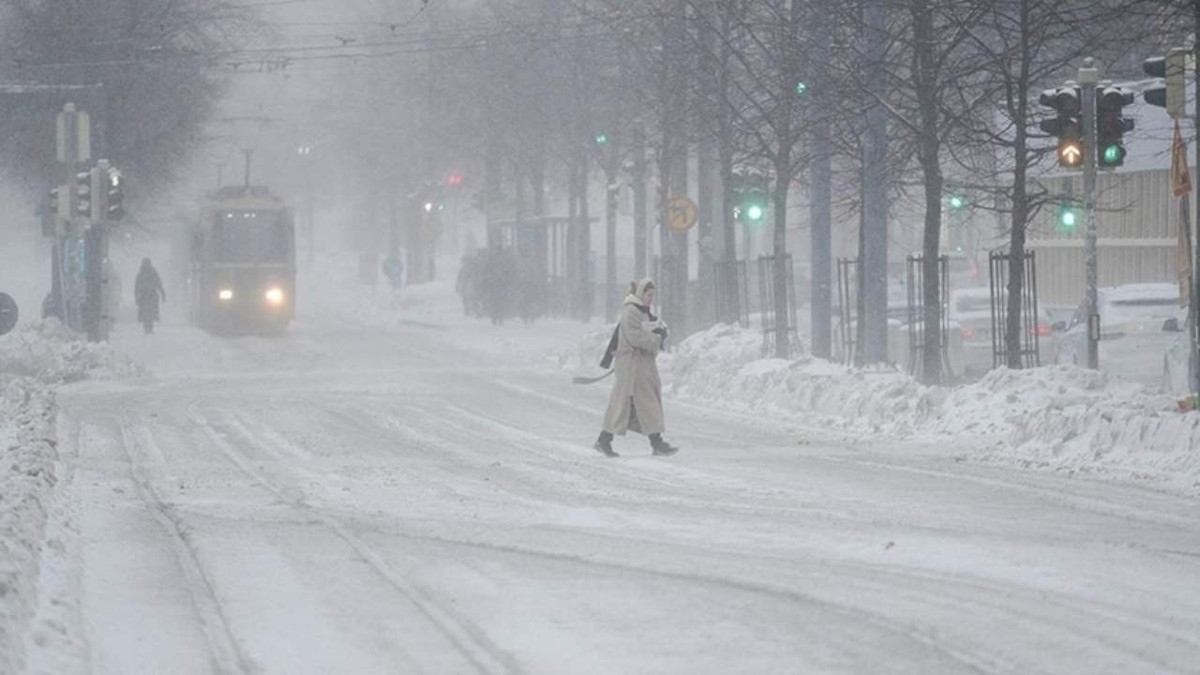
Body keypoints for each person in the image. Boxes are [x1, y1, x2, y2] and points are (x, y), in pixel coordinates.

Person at [594, 278, 679, 458]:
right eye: (649, 295)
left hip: (641, 365)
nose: (651, 299)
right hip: (632, 366)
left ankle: (653, 441)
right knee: (628, 402)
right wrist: (656, 338)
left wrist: (659, 331)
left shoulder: (642, 311)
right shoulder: (631, 311)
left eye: (653, 295)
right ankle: (606, 439)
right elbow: (636, 337)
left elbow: (646, 330)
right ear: (641, 294)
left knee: (641, 402)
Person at [134, 258, 166, 334]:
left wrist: (136, 297)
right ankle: (150, 328)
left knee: (146, 313)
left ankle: (147, 328)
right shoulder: (153, 273)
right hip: (152, 295)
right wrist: (163, 294)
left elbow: (136, 287)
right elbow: (159, 284)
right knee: (151, 313)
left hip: (144, 296)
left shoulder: (140, 274)